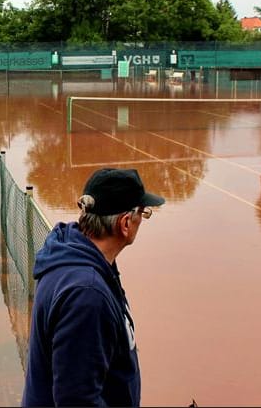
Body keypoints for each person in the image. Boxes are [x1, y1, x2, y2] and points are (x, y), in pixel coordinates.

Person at [22, 168, 165, 407]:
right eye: (142, 212)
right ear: (126, 223)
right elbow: (77, 400)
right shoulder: (87, 295)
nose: (143, 218)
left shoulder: (75, 251)